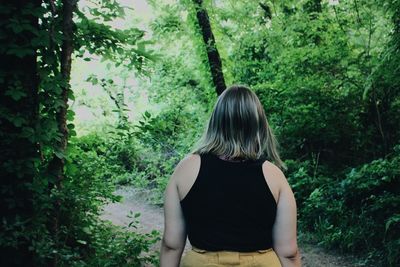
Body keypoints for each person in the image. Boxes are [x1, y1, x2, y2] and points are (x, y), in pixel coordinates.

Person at [160, 85, 301, 267]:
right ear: (257, 124)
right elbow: (288, 252)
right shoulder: (274, 175)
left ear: (217, 120)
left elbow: (171, 245)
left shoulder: (186, 169)